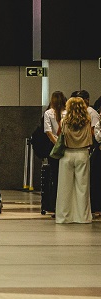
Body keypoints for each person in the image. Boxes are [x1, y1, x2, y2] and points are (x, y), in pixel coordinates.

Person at [55, 96, 93, 224]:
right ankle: (83, 217)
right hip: (83, 154)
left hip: (67, 154)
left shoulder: (64, 121)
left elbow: (59, 134)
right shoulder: (88, 120)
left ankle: (64, 217)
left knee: (65, 188)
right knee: (83, 187)